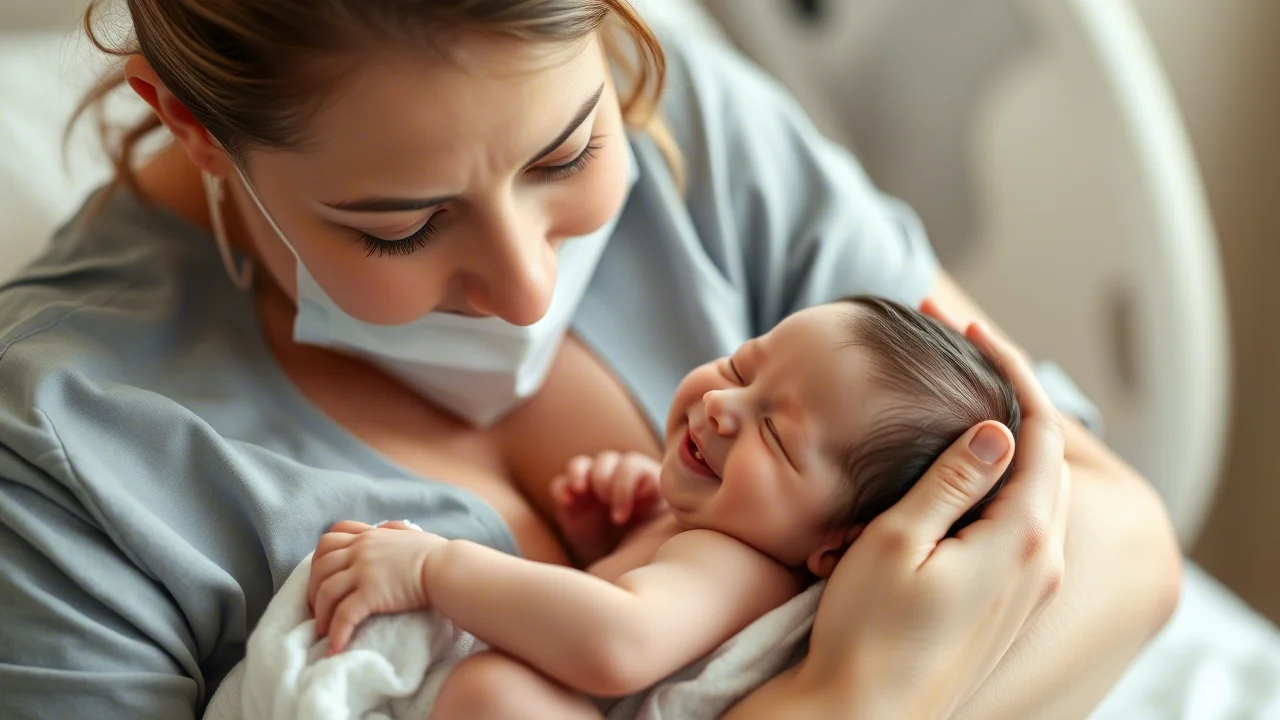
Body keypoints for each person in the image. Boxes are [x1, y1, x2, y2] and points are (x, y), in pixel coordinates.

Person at [0, 1, 1180, 718]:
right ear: (191, 125)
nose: (525, 289)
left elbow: (1119, 544)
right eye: (400, 225)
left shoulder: (697, 126)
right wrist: (854, 700)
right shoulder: (66, 449)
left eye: (567, 154)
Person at [305, 295, 1023, 719]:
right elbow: (623, 601)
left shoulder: (736, 565)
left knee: (498, 696)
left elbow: (620, 644)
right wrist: (612, 538)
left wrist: (436, 568)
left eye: (774, 433)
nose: (720, 405)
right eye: (744, 366)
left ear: (835, 548)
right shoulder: (709, 530)